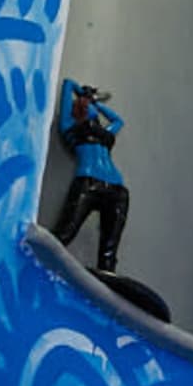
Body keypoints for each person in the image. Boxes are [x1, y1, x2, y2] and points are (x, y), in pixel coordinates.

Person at [51, 78, 129, 274]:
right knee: (64, 234)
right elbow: (68, 83)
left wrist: (96, 102)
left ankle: (108, 288)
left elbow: (119, 120)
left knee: (108, 255)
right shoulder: (70, 126)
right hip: (89, 183)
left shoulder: (105, 131)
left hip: (117, 190)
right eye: (85, 105)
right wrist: (83, 94)